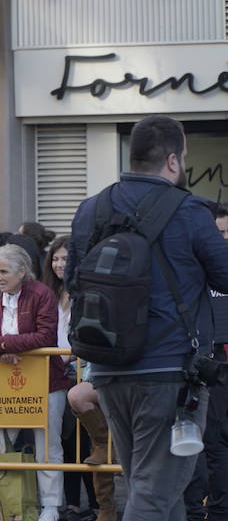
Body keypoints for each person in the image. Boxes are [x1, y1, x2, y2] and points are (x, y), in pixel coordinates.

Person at [67, 115, 228, 520]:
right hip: (170, 372)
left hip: (107, 368)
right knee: (155, 495)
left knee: (153, 487)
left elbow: (72, 281)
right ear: (173, 160)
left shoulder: (92, 208)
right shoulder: (190, 211)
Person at [0, 244, 71, 521]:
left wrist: (1, 343)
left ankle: (50, 506)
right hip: (5, 382)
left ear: (22, 271)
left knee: (47, 445)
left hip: (47, 381)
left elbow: (45, 336)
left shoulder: (42, 294)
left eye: (3, 271)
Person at [43, 236, 105, 521]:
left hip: (82, 371)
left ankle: (97, 505)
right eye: (55, 258)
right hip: (52, 372)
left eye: (65, 259)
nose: (59, 264)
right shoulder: (47, 294)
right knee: (64, 440)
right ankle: (72, 504)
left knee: (87, 441)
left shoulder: (86, 293)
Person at [184, 205, 228, 521]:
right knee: (212, 440)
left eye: (225, 233)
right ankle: (214, 509)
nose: (220, 239)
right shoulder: (193, 269)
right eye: (216, 233)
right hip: (211, 363)